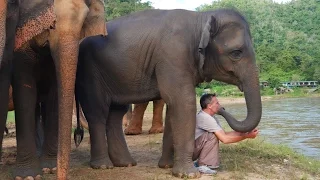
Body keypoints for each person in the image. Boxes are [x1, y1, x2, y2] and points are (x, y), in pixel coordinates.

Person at [193, 93, 259, 174]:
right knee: (212, 135)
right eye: (217, 103)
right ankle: (204, 165)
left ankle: (200, 163)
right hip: (191, 151)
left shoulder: (211, 117)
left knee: (215, 134)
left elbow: (224, 134)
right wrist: (246, 136)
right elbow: (225, 139)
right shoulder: (205, 118)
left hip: (195, 148)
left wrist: (244, 132)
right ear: (209, 106)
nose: (219, 105)